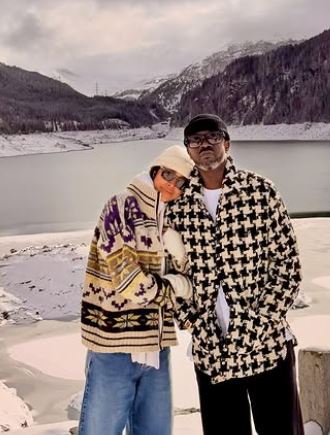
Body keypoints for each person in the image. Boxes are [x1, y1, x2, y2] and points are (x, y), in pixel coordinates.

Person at [166, 114, 304, 435]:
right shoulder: (178, 205)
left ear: (226, 144)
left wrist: (261, 321)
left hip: (266, 345)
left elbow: (287, 265)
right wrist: (194, 322)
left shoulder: (259, 191)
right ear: (188, 150)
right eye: (195, 140)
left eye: (212, 137)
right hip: (213, 351)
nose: (204, 145)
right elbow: (172, 273)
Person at [78, 145, 194, 435]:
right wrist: (175, 287)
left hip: (156, 350)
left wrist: (180, 258)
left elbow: (189, 280)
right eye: (168, 174)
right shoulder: (120, 206)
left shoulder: (168, 219)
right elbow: (130, 284)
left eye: (181, 182)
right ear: (155, 170)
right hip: (114, 348)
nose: (172, 185)